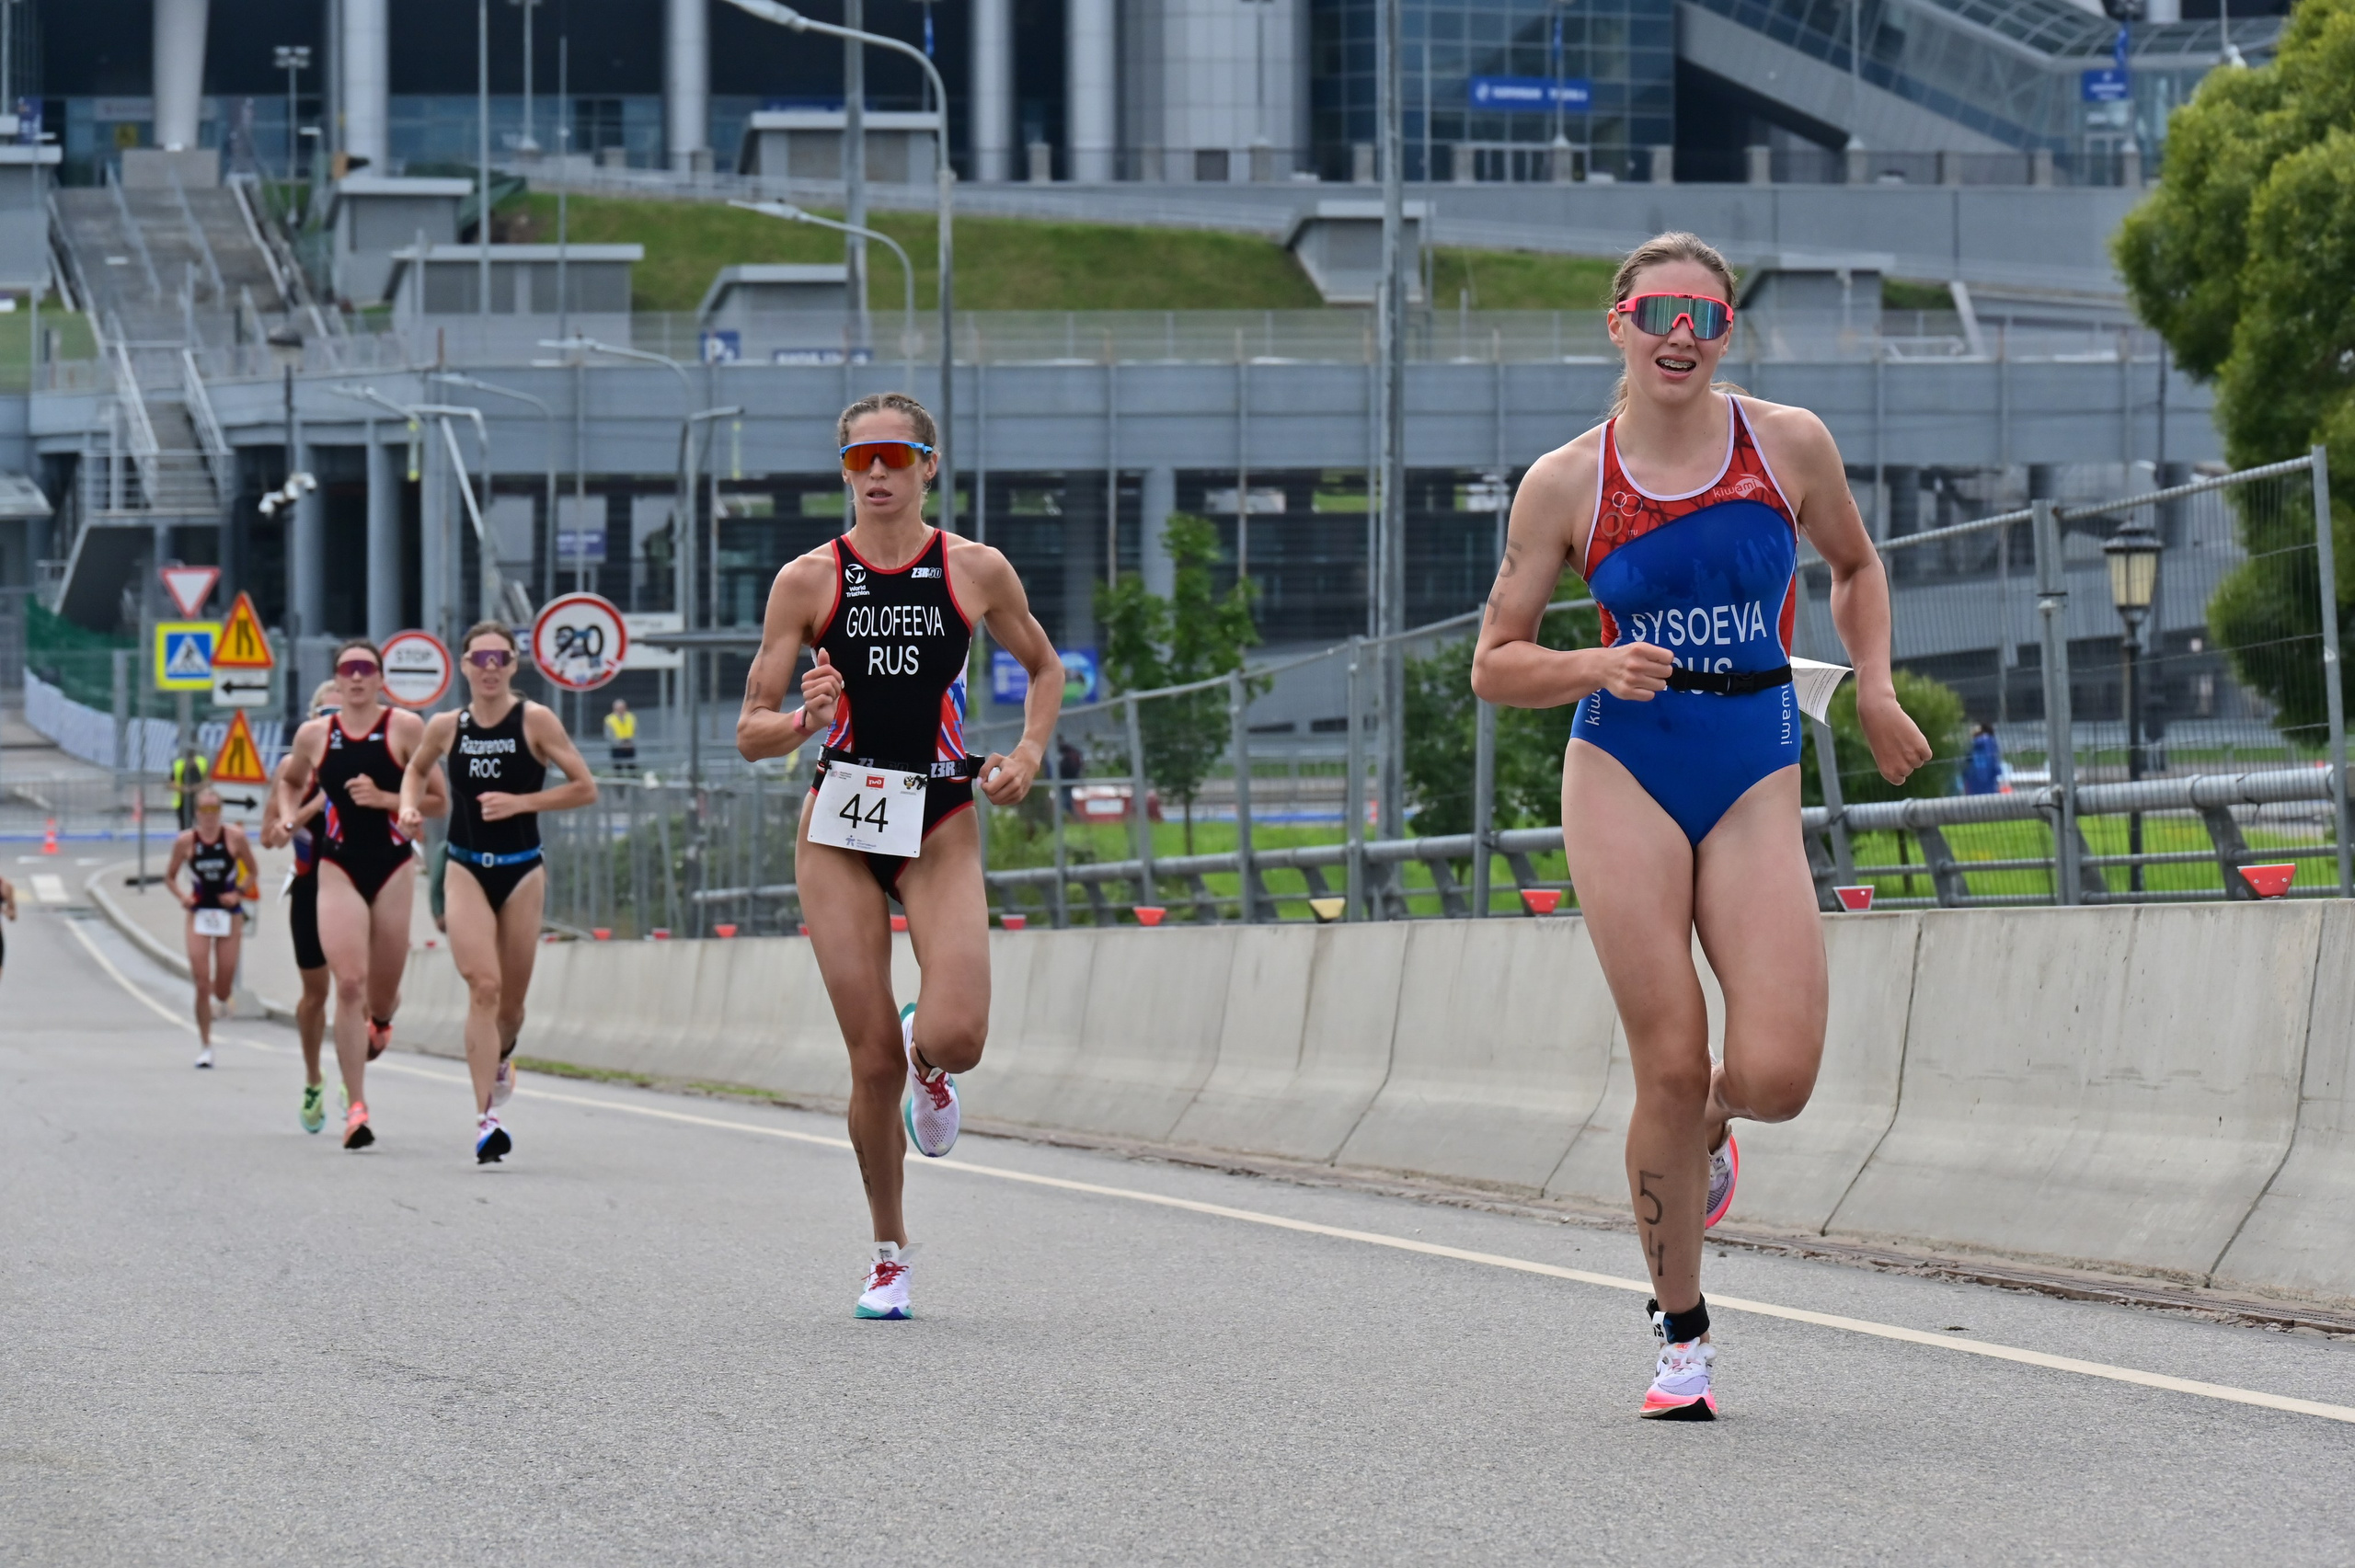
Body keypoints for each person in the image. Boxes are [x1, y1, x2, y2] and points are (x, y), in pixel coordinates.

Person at [1472, 232, 1930, 1420]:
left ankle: (1714, 1125)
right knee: (1667, 1060)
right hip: (1625, 763)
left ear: (1728, 335)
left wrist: (1873, 682)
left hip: (1752, 762)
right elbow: (1493, 664)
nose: (1683, 333)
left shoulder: (1788, 446)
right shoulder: (1568, 483)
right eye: (1661, 311)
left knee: (1773, 1073)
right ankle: (1682, 1333)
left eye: (1708, 317)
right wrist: (1592, 661)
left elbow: (1857, 566)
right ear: (1617, 323)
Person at [738, 391, 1064, 1321]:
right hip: (838, 826)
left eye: (893, 456)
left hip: (939, 815)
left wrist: (1029, 754)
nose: (875, 474)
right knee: (870, 1058)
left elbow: (1043, 667)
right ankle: (889, 1253)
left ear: (928, 464)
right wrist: (809, 715)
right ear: (843, 472)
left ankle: (936, 1060)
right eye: (856, 460)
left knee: (955, 1035)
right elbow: (751, 733)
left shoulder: (973, 569)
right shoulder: (808, 580)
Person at [399, 620, 599, 1164]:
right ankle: (487, 1119)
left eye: (500, 659)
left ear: (513, 666)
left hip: (522, 871)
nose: (489, 668)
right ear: (463, 666)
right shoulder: (445, 726)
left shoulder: (533, 720)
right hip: (464, 867)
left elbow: (586, 788)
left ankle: (504, 1053)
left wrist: (520, 804)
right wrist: (407, 807)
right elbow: (415, 771)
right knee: (483, 987)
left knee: (510, 1006)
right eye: (478, 659)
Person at [270, 639, 435, 1150]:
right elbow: (290, 777)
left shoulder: (406, 727)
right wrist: (284, 812)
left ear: (381, 679)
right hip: (336, 864)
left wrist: (388, 800)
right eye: (348, 670)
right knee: (347, 985)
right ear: (337, 681)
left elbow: (439, 799)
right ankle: (357, 1110)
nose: (357, 678)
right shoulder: (316, 734)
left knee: (379, 997)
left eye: (367, 669)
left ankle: (381, 1021)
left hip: (392, 865)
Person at [165, 786, 259, 1068]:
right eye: (204, 810)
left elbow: (253, 871)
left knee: (222, 986)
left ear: (220, 811)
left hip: (228, 913)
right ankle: (206, 1045)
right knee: (201, 981)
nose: (209, 816)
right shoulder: (186, 842)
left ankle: (223, 998)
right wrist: (183, 897)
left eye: (214, 810)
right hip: (199, 912)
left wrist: (239, 892)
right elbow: (169, 877)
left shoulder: (234, 838)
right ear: (196, 813)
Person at [170, 745, 209, 830]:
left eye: (192, 760)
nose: (190, 762)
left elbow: (209, 781)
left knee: (201, 827)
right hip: (182, 803)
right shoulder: (179, 765)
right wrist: (183, 789)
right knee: (184, 829)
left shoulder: (202, 763)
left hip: (199, 801)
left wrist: (198, 787)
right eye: (188, 760)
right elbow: (171, 783)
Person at [1961, 722, 2004, 795]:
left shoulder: (1974, 743)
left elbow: (1967, 758)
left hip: (1974, 776)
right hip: (1989, 776)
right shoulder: (1992, 741)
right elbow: (1995, 760)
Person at [604, 698, 638, 773]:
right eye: (619, 708)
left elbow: (636, 731)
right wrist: (620, 744)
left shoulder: (631, 717)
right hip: (617, 747)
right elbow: (608, 735)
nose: (621, 709)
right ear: (614, 709)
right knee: (617, 769)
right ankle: (619, 783)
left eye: (622, 707)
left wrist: (630, 742)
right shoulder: (609, 719)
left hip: (630, 746)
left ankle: (633, 782)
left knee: (632, 768)